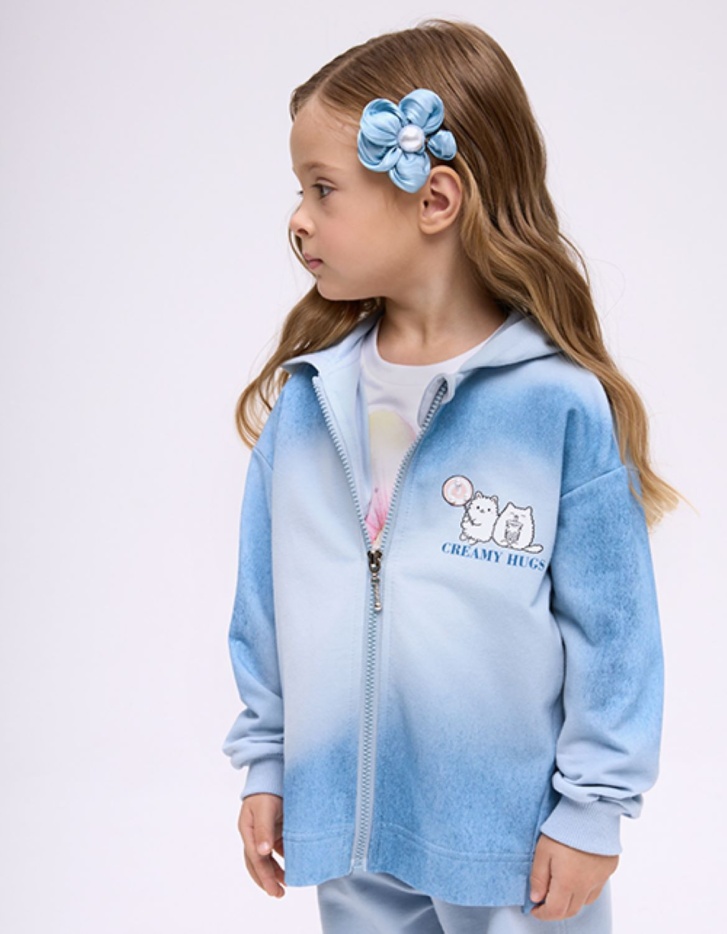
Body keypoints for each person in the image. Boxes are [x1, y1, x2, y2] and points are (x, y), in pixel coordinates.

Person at [222, 19, 680, 933]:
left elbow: (614, 631)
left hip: (514, 848)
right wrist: (267, 763)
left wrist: (593, 809)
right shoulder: (309, 404)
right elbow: (263, 608)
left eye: (322, 188)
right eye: (299, 191)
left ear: (434, 198)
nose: (298, 219)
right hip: (351, 830)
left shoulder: (554, 406)